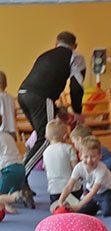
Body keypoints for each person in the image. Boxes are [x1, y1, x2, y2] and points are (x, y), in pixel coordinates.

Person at [17, 31, 86, 205]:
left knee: (43, 135)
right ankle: (20, 178)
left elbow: (41, 81)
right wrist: (77, 111)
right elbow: (77, 86)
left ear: (56, 44)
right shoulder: (75, 56)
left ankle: (21, 177)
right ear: (75, 45)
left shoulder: (44, 55)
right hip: (41, 97)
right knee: (48, 138)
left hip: (23, 93)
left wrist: (56, 110)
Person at [56, 135, 111, 217]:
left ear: (99, 156)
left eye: (93, 156)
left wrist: (78, 206)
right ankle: (97, 204)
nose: (89, 160)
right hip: (91, 189)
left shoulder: (101, 169)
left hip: (106, 189)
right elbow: (69, 186)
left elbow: (94, 191)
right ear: (80, 156)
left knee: (107, 212)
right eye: (86, 156)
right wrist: (61, 200)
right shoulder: (79, 167)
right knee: (81, 212)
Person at [42, 119, 80, 207]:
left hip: (54, 191)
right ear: (65, 136)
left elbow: (46, 170)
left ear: (46, 137)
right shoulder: (69, 148)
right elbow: (76, 169)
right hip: (72, 190)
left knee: (58, 208)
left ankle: (58, 206)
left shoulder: (45, 152)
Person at [0, 126, 25, 214]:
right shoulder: (7, 136)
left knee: (1, 195)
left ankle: (16, 198)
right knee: (13, 190)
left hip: (9, 169)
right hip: (21, 167)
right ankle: (21, 194)